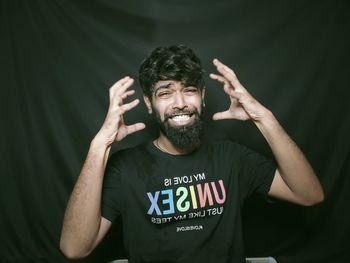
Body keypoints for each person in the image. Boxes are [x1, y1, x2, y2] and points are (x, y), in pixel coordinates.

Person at [60, 45, 324, 263]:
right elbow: (74, 249)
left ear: (202, 96)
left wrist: (263, 118)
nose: (180, 103)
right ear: (149, 104)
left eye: (189, 90)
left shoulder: (232, 157)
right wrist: (100, 146)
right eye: (165, 93)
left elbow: (309, 195)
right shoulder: (125, 167)